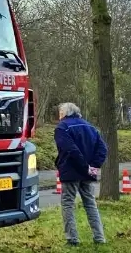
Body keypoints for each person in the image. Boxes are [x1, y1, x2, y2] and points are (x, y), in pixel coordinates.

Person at [55, 102, 107, 246]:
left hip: (71, 172)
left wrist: (84, 166)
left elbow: (70, 149)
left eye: (60, 113)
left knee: (68, 204)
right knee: (90, 204)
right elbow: (103, 149)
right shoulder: (90, 127)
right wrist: (93, 167)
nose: (59, 116)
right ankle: (99, 237)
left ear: (64, 113)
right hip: (88, 172)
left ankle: (72, 239)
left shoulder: (62, 128)